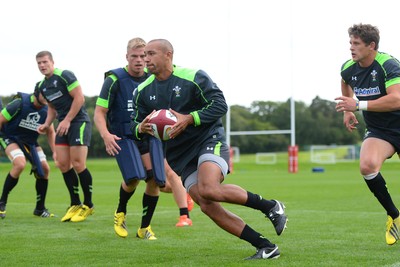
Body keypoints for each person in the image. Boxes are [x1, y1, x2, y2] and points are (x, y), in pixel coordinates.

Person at [131, 39, 288, 259]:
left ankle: (270, 206)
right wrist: (140, 127)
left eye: (151, 53)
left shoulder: (194, 78)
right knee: (206, 204)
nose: (145, 59)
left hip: (208, 139)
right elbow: (134, 125)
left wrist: (189, 119)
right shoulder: (142, 90)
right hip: (179, 156)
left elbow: (220, 105)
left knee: (209, 189)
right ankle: (265, 247)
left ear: (168, 54)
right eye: (144, 54)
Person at [94, 38, 192, 240]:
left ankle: (144, 228)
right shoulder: (114, 80)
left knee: (156, 180)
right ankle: (120, 212)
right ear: (127, 57)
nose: (139, 60)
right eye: (134, 56)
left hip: (149, 135)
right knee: (133, 179)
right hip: (122, 135)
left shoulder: (153, 78)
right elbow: (99, 112)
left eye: (143, 56)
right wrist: (105, 135)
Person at [335, 23, 400, 246]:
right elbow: (345, 83)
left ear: (371, 46)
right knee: (367, 166)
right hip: (381, 130)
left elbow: (396, 99)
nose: (351, 48)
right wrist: (347, 110)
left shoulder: (388, 65)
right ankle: (395, 215)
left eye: (356, 44)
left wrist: (358, 105)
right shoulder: (348, 67)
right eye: (350, 43)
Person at [36, 51, 94, 223]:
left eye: (45, 62)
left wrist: (68, 120)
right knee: (62, 164)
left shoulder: (65, 75)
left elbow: (80, 98)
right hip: (63, 124)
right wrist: (47, 124)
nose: (42, 65)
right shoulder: (42, 86)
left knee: (78, 164)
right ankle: (75, 203)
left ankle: (88, 205)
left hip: (78, 122)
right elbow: (52, 108)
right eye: (39, 63)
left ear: (52, 62)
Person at [0, 89, 56, 218]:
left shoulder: (48, 110)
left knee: (45, 169)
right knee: (20, 164)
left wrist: (55, 152)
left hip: (30, 141)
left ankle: (40, 209)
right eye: (44, 94)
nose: (47, 98)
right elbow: (0, 120)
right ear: (37, 93)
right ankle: (2, 202)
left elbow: (50, 132)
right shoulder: (19, 104)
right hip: (10, 137)